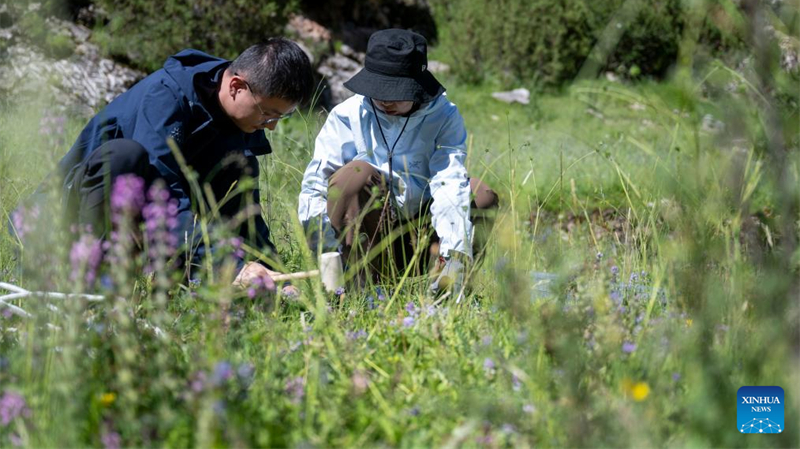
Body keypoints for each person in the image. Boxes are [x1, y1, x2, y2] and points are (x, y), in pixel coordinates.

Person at [49, 39, 313, 290]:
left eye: (281, 116)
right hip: (61, 221)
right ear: (236, 86)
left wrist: (277, 278)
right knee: (125, 154)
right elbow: (162, 187)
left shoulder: (240, 123)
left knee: (238, 168)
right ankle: (86, 284)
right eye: (268, 113)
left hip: (143, 229)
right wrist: (228, 266)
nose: (273, 125)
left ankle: (171, 285)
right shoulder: (166, 97)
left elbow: (246, 214)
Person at [298, 29, 497, 295]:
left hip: (424, 239)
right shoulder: (348, 115)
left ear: (418, 86)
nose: (385, 100)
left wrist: (455, 253)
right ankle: (354, 289)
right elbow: (316, 185)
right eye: (379, 90)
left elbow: (450, 181)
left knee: (480, 194)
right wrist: (323, 250)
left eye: (396, 92)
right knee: (355, 174)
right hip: (371, 239)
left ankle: (447, 290)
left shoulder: (444, 116)